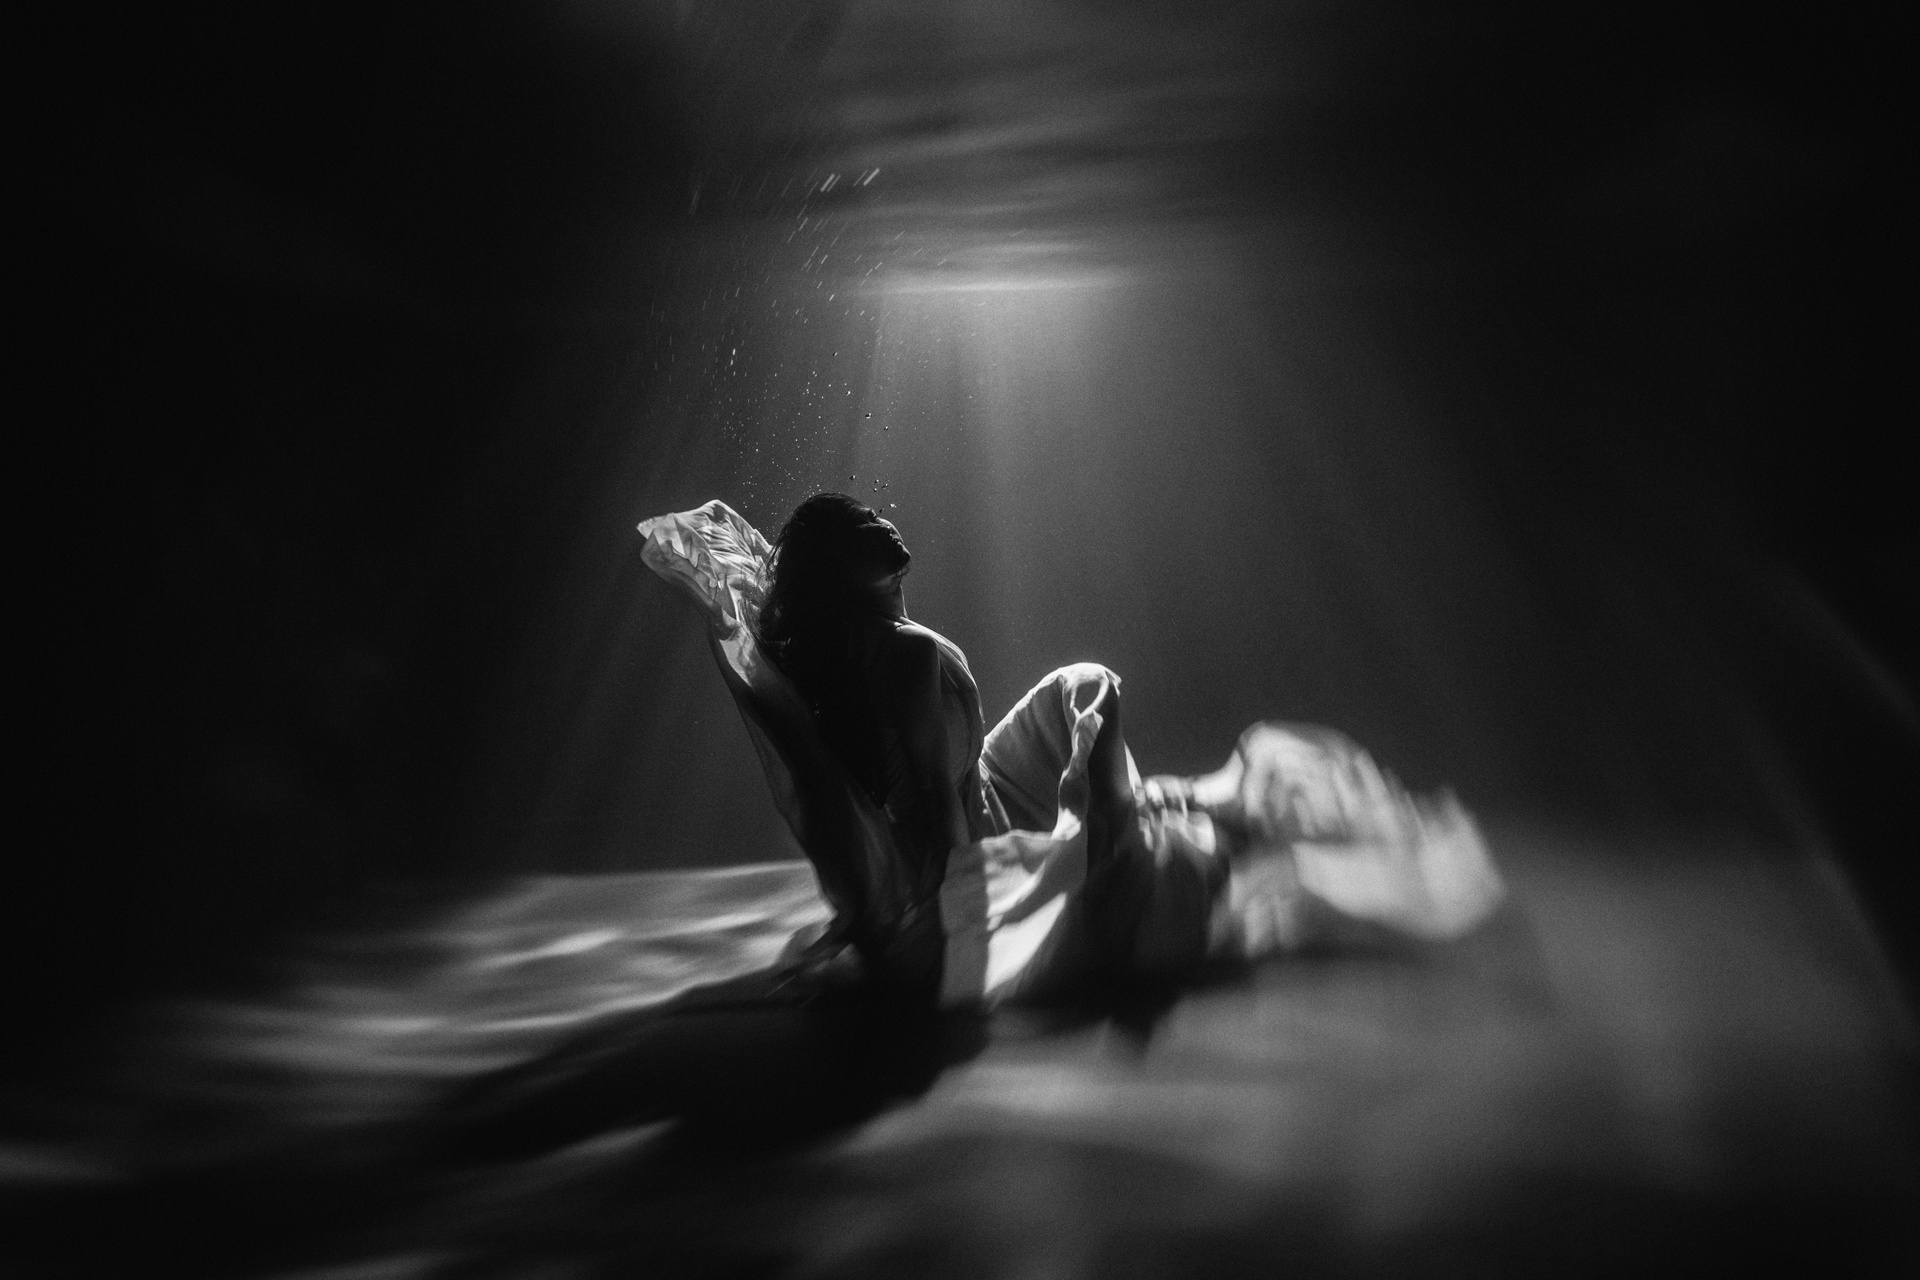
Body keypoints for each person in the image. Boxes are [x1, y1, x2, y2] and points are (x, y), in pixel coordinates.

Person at [637, 494, 1507, 1011]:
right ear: (844, 571)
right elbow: (933, 812)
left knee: (1092, 711)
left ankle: (1145, 825)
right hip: (963, 856)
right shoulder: (904, 654)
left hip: (968, 819)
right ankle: (1132, 842)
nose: (887, 528)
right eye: (865, 529)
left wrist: (874, 920)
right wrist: (971, 923)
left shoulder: (833, 653)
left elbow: (884, 796)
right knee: (1106, 719)